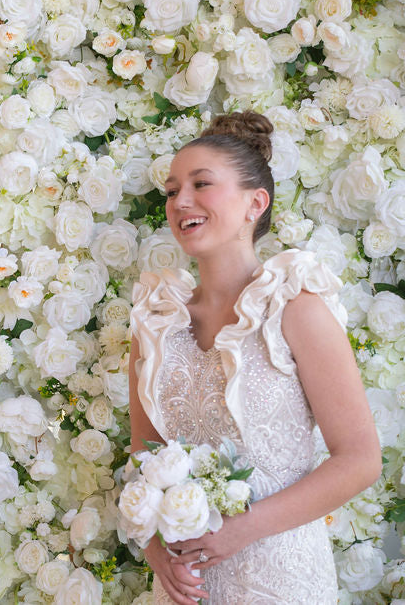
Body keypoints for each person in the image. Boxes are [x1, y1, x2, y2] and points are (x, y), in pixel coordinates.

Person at [126, 111, 382, 604]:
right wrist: (154, 544)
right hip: (185, 584)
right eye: (172, 189)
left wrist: (244, 529)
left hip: (280, 577)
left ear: (255, 203)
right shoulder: (155, 320)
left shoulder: (296, 309)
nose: (180, 202)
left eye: (201, 184)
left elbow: (360, 460)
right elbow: (145, 451)